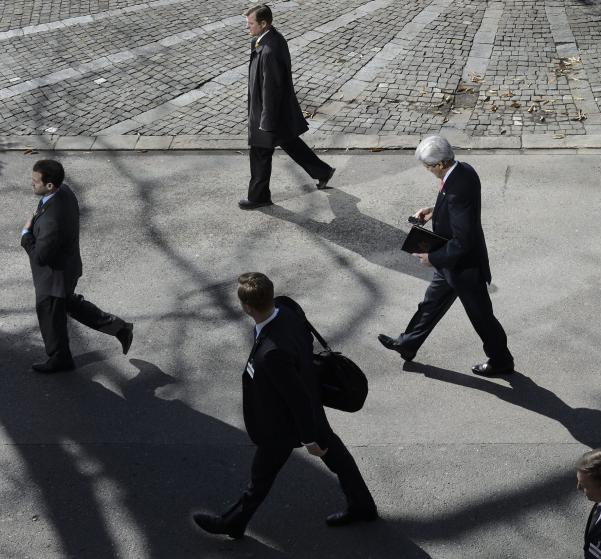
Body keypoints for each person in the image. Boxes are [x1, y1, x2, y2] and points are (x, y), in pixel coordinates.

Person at [193, 273, 376, 539]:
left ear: (247, 307)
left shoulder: (272, 354)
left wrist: (309, 439)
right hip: (311, 403)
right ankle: (362, 506)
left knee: (261, 478)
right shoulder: (288, 309)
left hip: (282, 421)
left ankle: (232, 522)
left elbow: (296, 399)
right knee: (339, 459)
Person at [377, 136, 515, 376]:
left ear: (440, 164)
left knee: (482, 317)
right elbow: (458, 208)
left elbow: (464, 241)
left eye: (428, 167)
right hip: (451, 264)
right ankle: (408, 344)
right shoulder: (463, 171)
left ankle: (501, 361)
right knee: (430, 304)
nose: (427, 170)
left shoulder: (456, 191)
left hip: (463, 266)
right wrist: (434, 211)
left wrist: (433, 259)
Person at [20, 159, 133, 373]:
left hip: (53, 278)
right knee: (69, 304)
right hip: (68, 268)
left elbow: (41, 257)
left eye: (35, 181)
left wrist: (26, 234)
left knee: (50, 318)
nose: (32, 184)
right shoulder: (65, 192)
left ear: (50, 185)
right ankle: (119, 328)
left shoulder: (52, 220)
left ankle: (60, 359)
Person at [240, 4, 334, 210]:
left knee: (260, 154)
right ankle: (322, 171)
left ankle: (258, 197)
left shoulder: (270, 49)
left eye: (250, 24)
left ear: (263, 24)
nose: (247, 28)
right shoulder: (268, 39)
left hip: (268, 113)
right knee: (290, 143)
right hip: (274, 112)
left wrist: (265, 121)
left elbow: (271, 88)